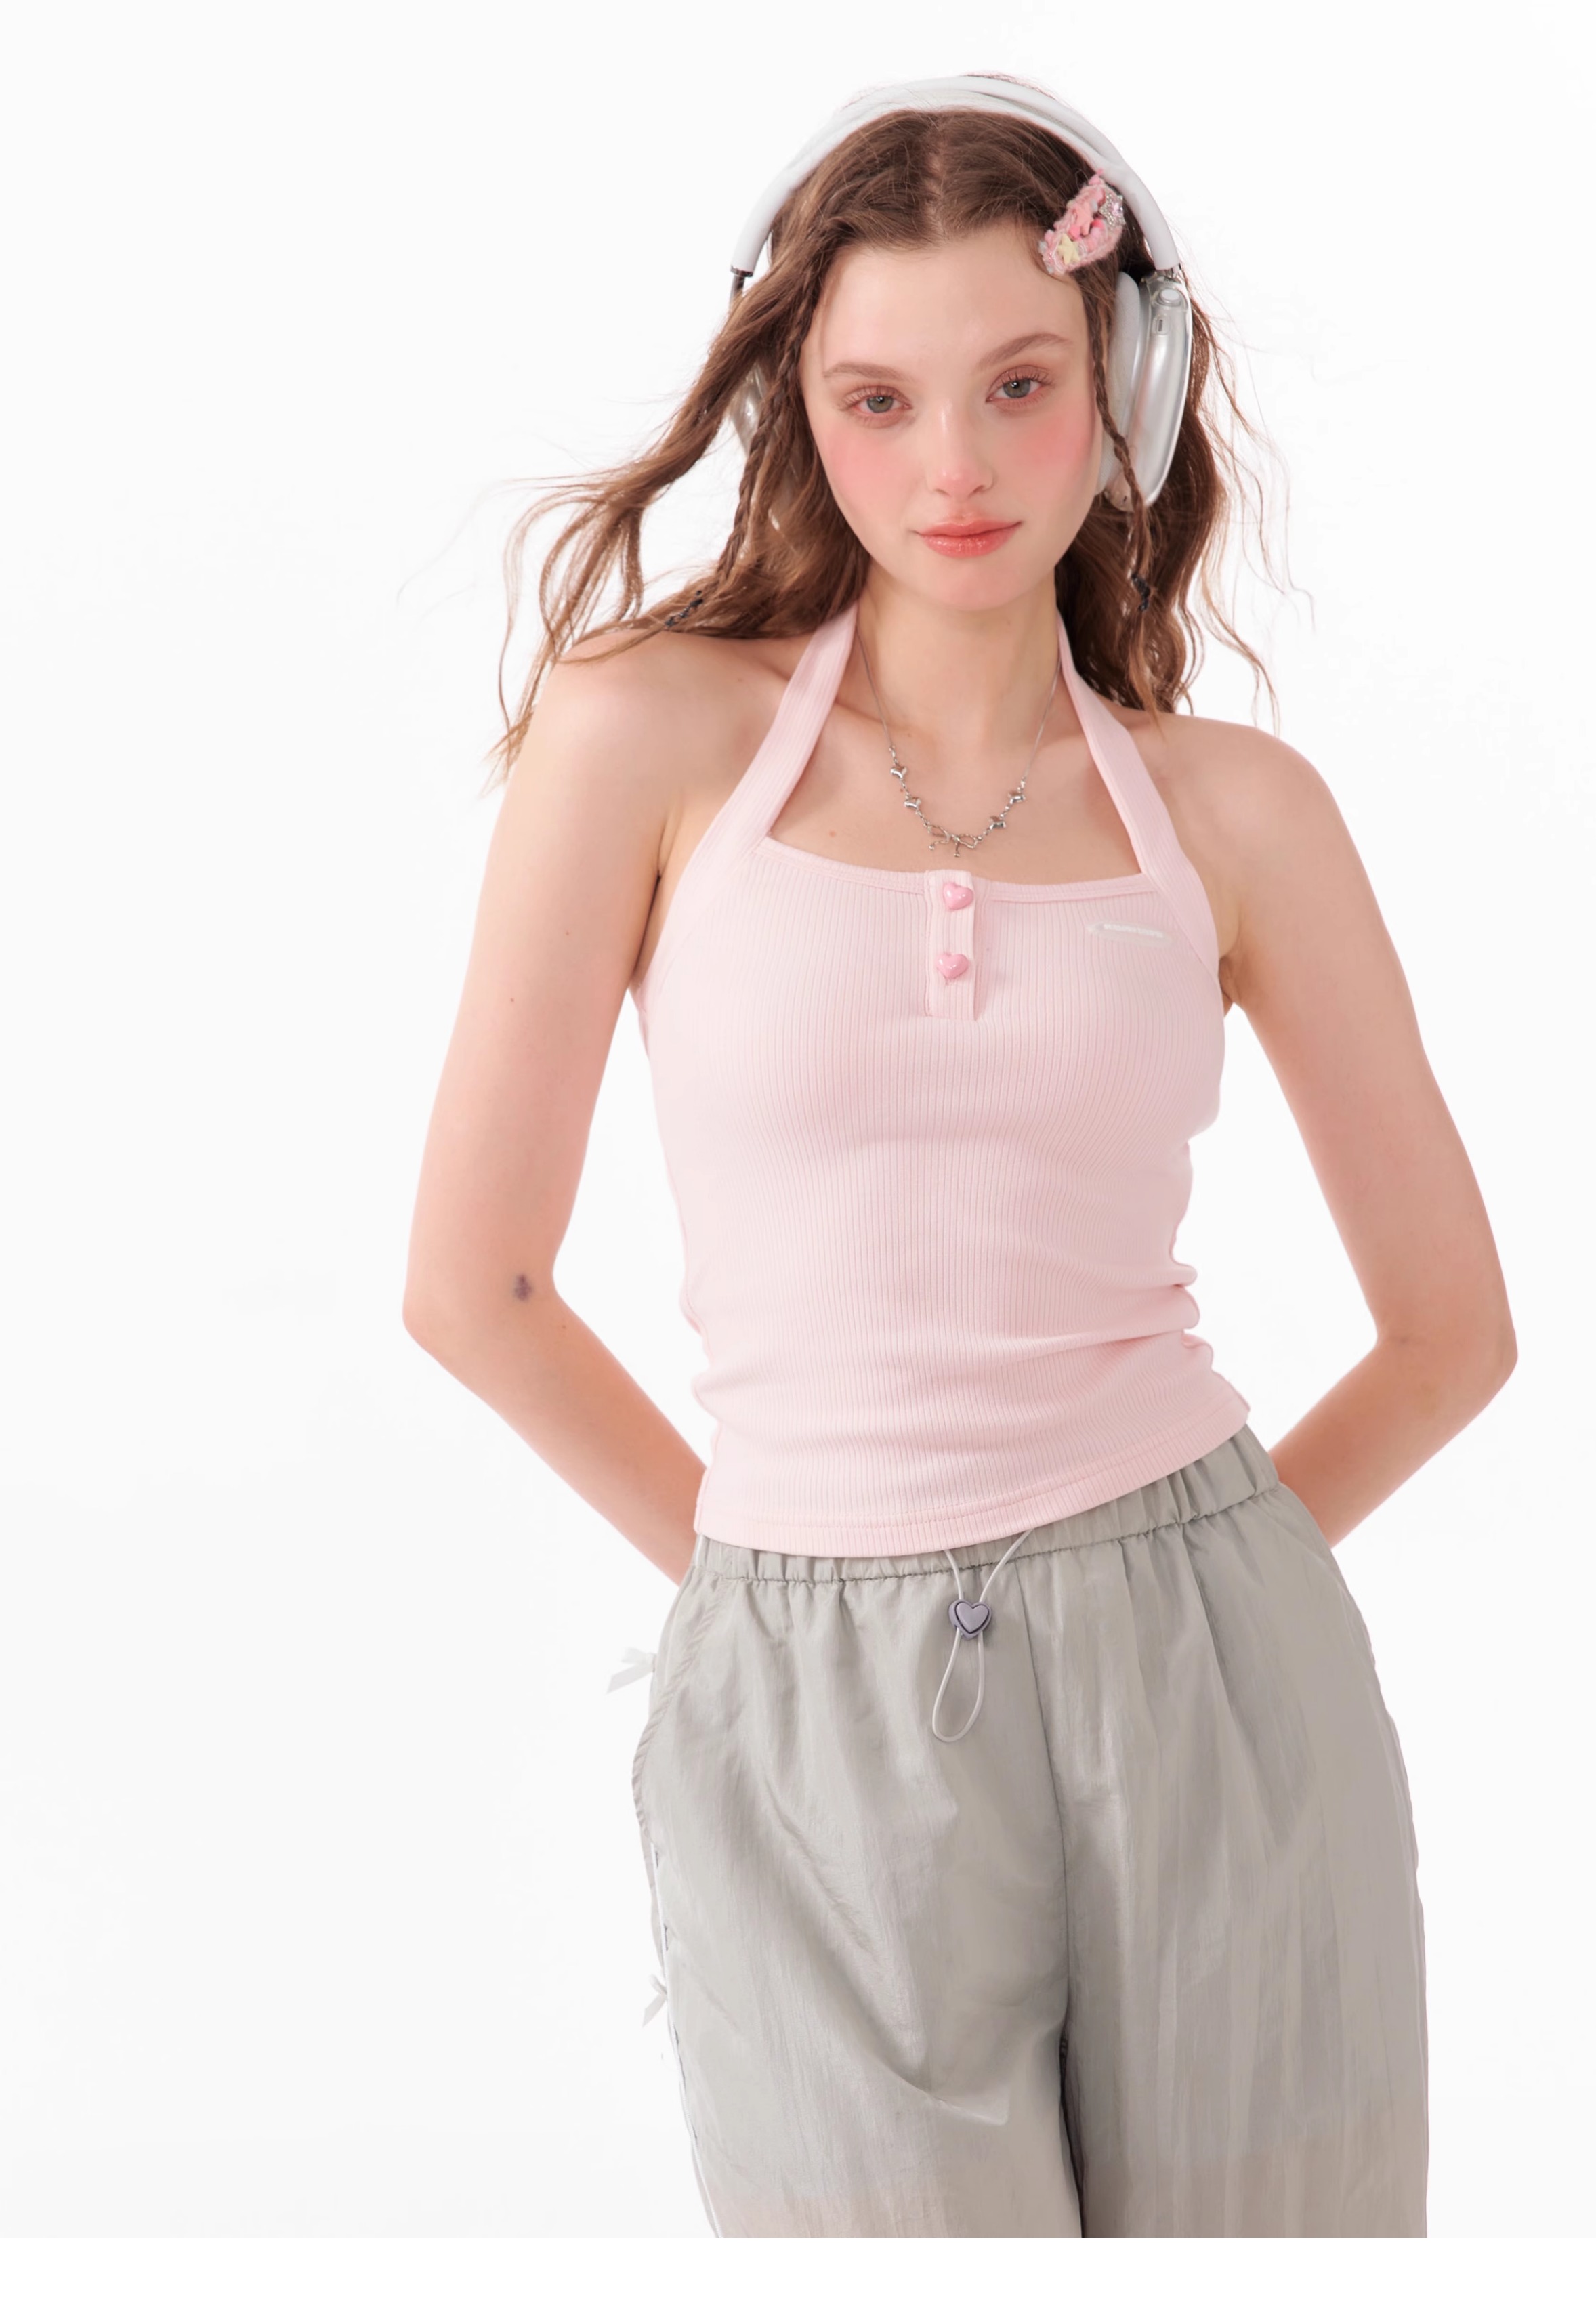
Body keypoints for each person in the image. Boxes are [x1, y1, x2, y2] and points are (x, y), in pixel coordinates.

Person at [402, 75, 1516, 2237]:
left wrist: (1196, 1596)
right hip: (801, 1670)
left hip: (1219, 1679)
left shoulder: (1238, 813)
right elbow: (476, 1286)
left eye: (1019, 385)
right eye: (879, 400)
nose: (956, 468)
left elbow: (1454, 1331)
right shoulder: (645, 737)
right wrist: (778, 1589)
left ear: (1129, 389)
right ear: (799, 413)